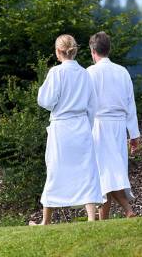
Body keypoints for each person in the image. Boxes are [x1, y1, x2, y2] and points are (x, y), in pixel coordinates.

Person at [30, 34, 104, 225]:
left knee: (55, 170)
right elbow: (92, 105)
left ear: (58, 52)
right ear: (75, 50)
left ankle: (46, 221)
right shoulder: (85, 73)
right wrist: (86, 126)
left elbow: (45, 101)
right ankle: (90, 217)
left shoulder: (56, 73)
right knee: (86, 171)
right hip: (80, 126)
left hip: (61, 128)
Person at [87, 31, 140, 219]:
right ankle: (106, 219)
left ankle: (126, 210)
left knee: (104, 174)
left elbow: (85, 104)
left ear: (93, 51)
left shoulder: (89, 73)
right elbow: (130, 105)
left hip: (98, 126)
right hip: (118, 127)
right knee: (110, 172)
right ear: (108, 49)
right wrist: (134, 134)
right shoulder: (122, 72)